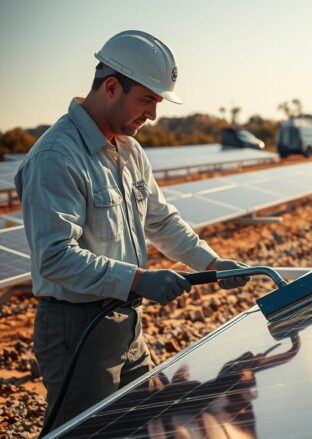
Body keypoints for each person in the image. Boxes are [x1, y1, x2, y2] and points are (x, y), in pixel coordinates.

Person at [13, 30, 251, 430]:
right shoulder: (57, 156)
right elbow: (54, 257)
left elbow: (160, 220)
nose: (153, 115)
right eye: (147, 101)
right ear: (111, 87)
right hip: (77, 330)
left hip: (125, 324)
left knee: (146, 426)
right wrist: (139, 279)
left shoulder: (129, 149)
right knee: (90, 431)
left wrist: (211, 262)